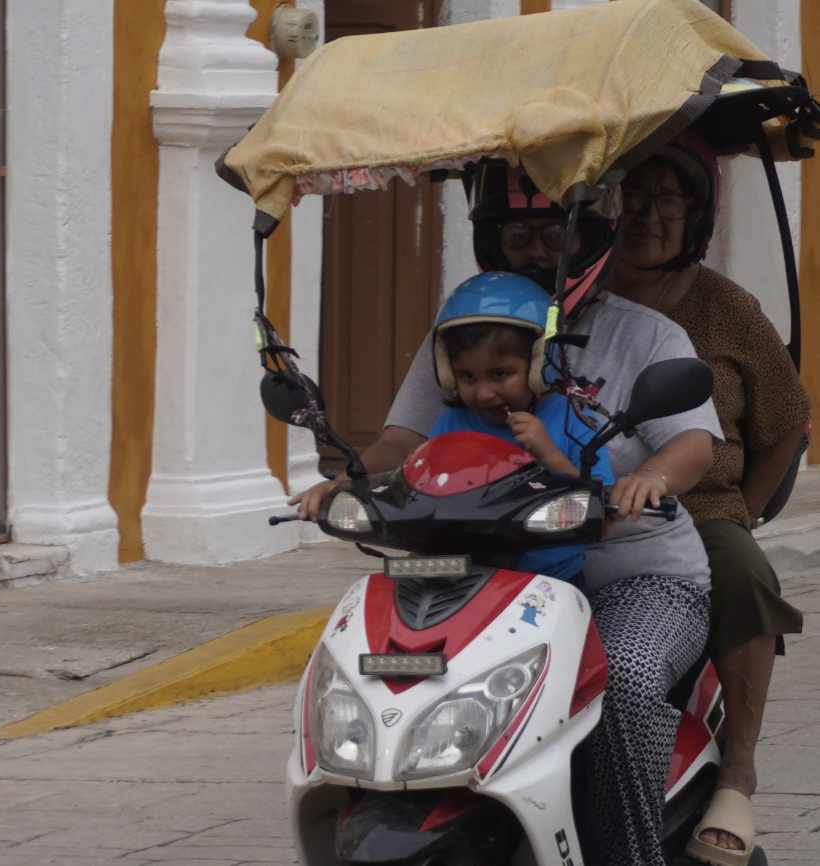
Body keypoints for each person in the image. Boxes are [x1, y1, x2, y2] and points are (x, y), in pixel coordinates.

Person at [290, 162, 719, 866]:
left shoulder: (647, 335)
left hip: (635, 570)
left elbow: (694, 444)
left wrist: (644, 478)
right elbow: (405, 438)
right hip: (496, 568)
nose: (536, 250)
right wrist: (347, 481)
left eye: (554, 233)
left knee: (633, 680)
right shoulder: (468, 330)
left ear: (592, 237)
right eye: (517, 233)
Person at [604, 134, 809, 866]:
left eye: (670, 201)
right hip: (579, 500)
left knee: (746, 573)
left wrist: (743, 508)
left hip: (699, 508)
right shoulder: (575, 294)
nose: (648, 216)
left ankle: (740, 770)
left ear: (697, 216)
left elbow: (787, 421)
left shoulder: (726, 307)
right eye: (633, 196)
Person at [428, 271, 615, 581]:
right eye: (467, 376)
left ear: (540, 363)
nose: (484, 393)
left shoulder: (575, 420)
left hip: (551, 583)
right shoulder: (451, 424)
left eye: (500, 374)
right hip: (462, 577)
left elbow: (602, 512)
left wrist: (548, 454)